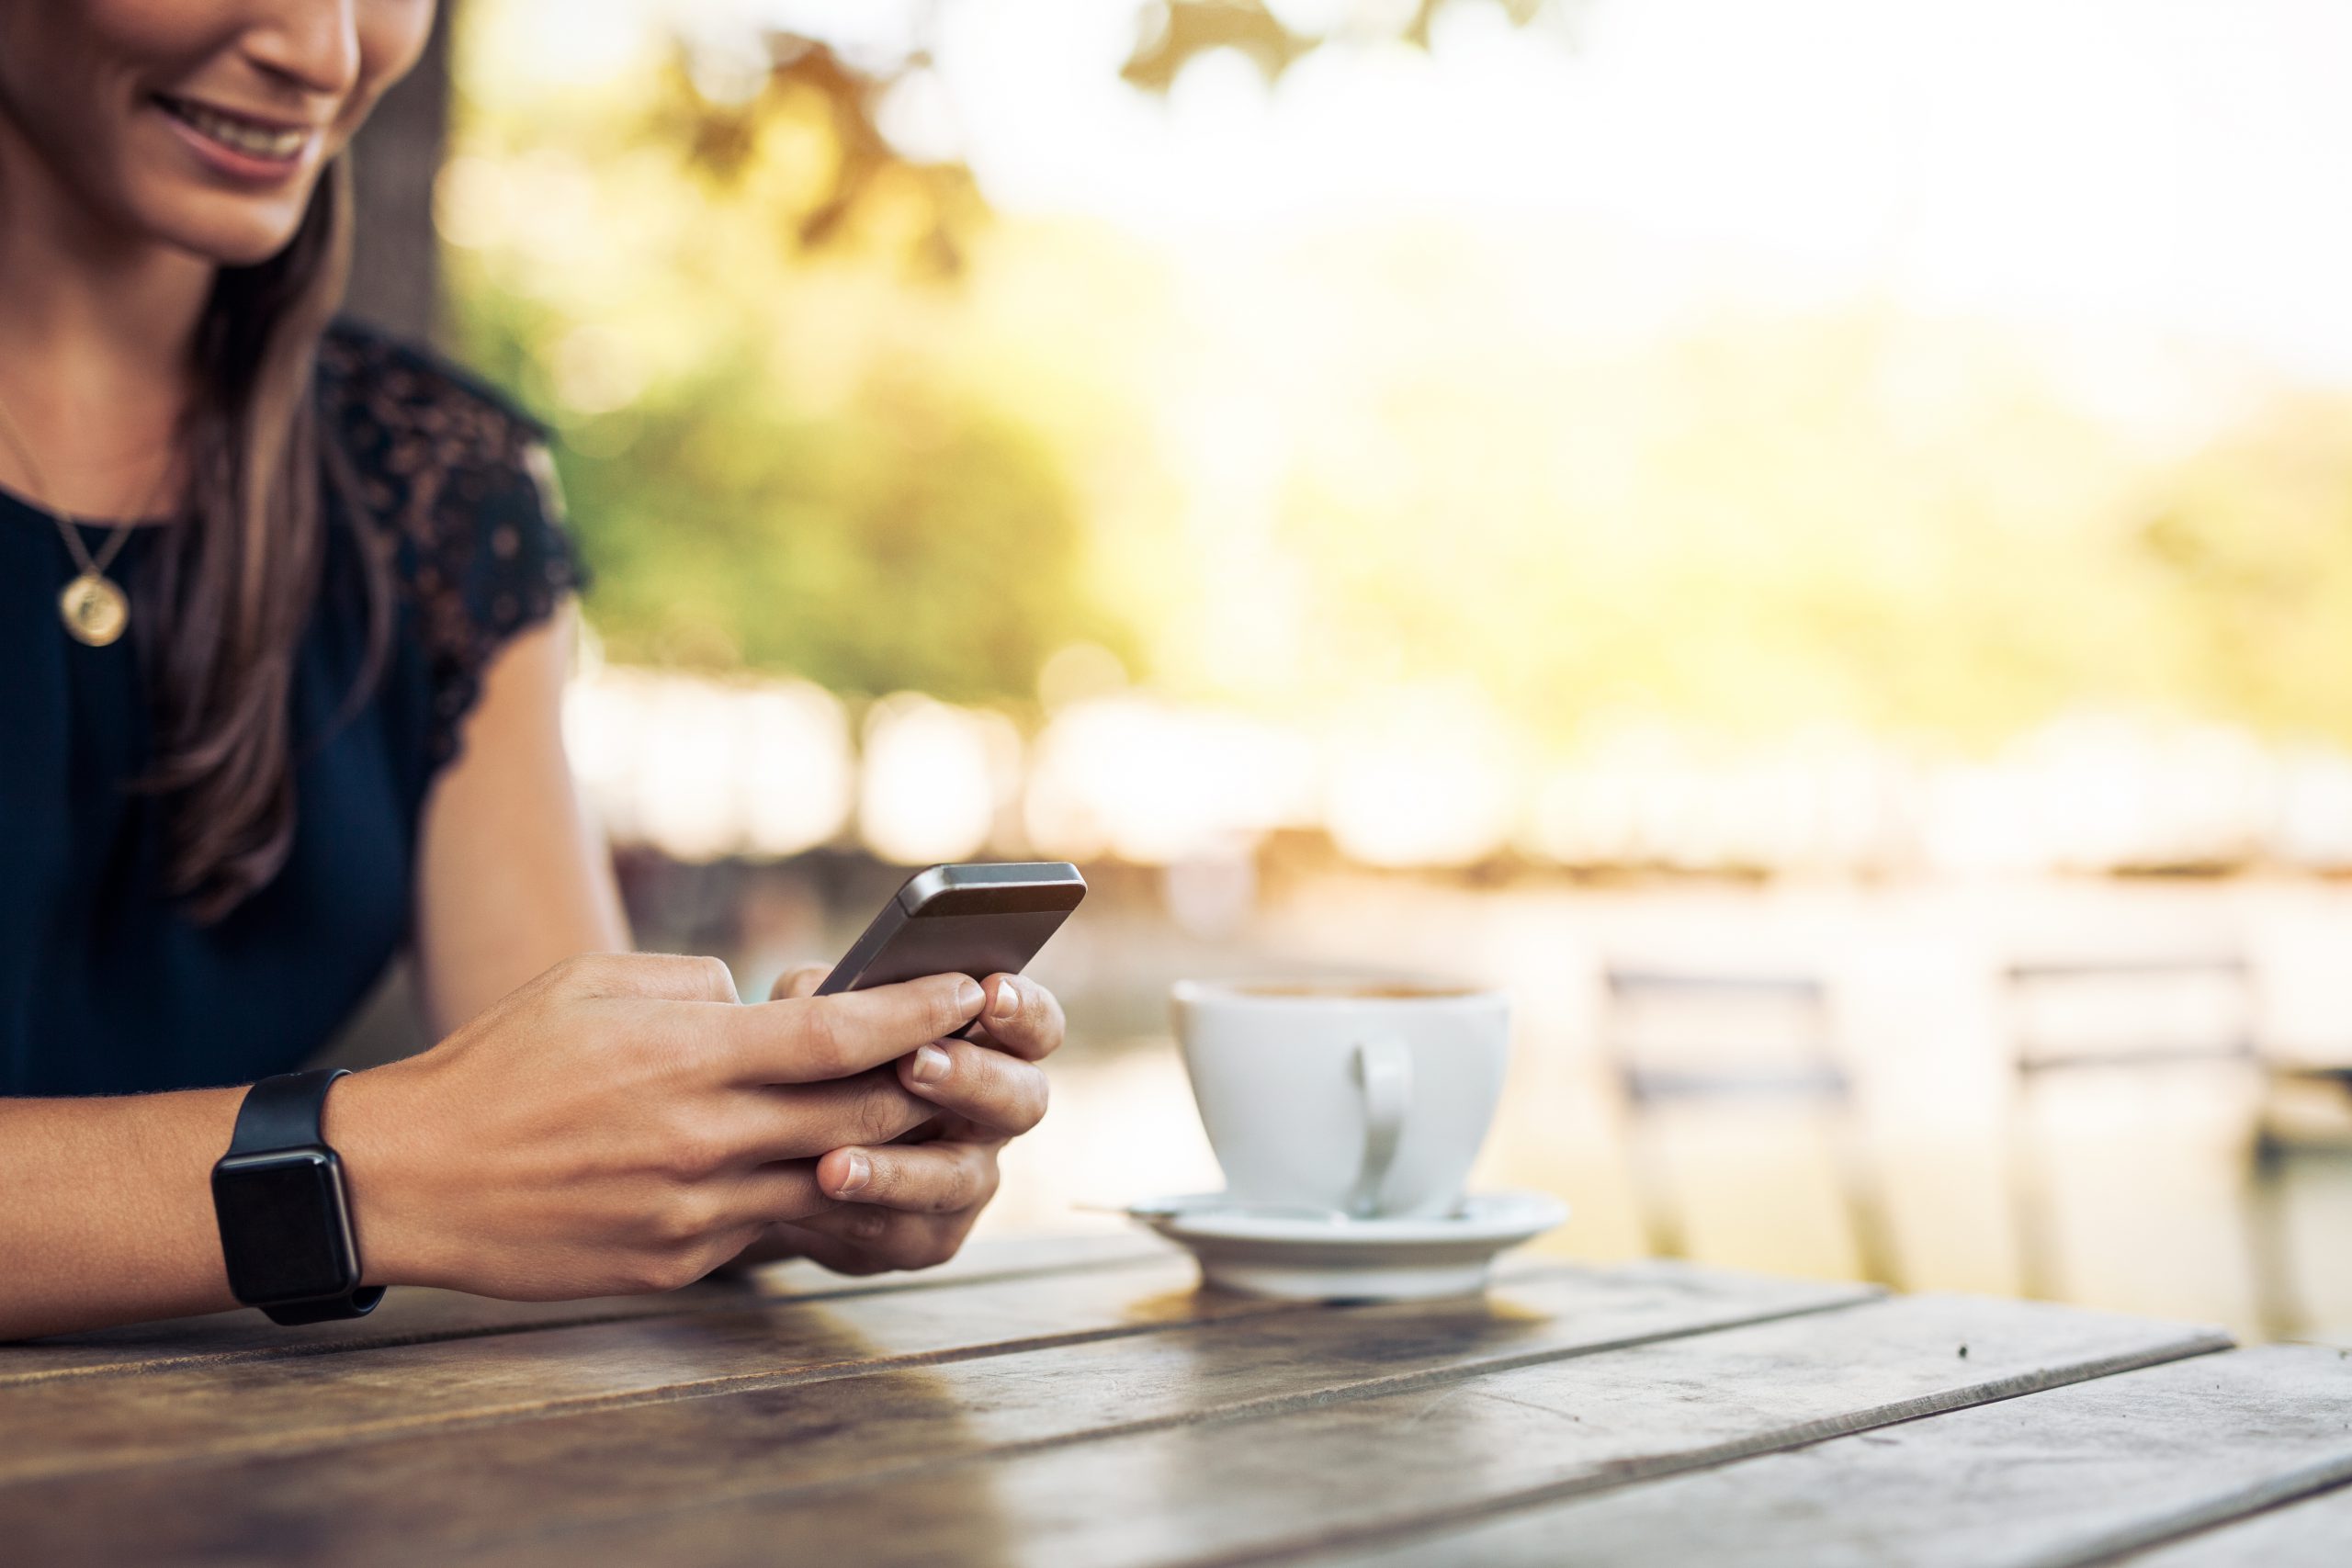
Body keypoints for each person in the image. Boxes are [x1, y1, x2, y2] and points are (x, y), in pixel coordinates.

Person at [0, 1, 1059, 1342]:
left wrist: (786, 1156)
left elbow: (558, 1149)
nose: (327, 53)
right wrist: (370, 1166)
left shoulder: (438, 490)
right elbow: (435, 1165)